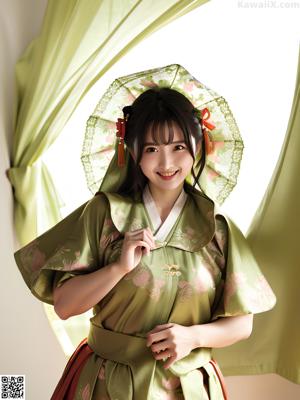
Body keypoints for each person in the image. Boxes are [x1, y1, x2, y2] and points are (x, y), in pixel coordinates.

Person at [14, 79, 276, 399]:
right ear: (133, 152)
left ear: (199, 146)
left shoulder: (217, 228)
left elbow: (242, 324)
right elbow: (66, 306)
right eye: (152, 149)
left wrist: (192, 337)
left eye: (178, 146)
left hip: (187, 387)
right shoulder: (104, 214)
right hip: (107, 382)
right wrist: (117, 268)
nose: (166, 163)